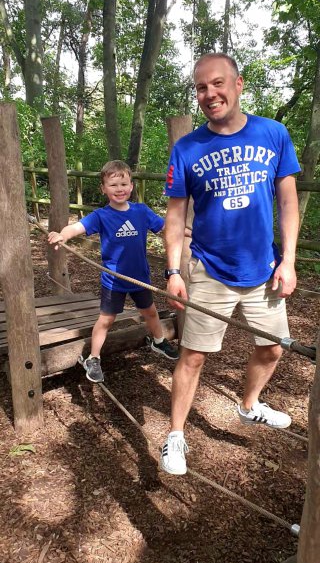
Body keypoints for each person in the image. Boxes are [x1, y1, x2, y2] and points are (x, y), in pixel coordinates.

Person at [161, 52, 300, 475]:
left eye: (217, 83)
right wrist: (172, 271)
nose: (210, 94)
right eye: (201, 87)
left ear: (238, 84)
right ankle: (175, 436)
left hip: (264, 269)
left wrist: (289, 260)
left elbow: (289, 201)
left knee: (272, 348)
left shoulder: (273, 134)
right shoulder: (186, 149)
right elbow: (175, 215)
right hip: (209, 268)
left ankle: (249, 405)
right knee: (193, 356)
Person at [48, 160, 179, 383]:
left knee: (150, 312)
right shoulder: (101, 216)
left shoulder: (141, 211)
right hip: (113, 281)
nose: (120, 189)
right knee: (107, 320)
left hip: (140, 278)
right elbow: (76, 227)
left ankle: (158, 342)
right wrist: (63, 234)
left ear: (131, 186)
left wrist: (186, 231)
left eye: (124, 184)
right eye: (113, 185)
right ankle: (94, 357)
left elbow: (166, 227)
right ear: (103, 189)